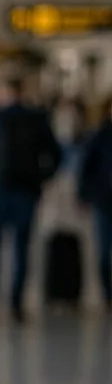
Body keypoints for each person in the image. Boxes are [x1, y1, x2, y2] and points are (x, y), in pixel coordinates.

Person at [0, 73, 61, 322]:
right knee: (22, 247)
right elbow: (55, 153)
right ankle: (16, 304)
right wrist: (42, 178)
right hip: (26, 191)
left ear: (3, 91)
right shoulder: (37, 118)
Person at [77, 100, 112, 306]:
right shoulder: (100, 135)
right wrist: (84, 194)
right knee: (103, 250)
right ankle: (107, 294)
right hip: (105, 200)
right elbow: (86, 167)